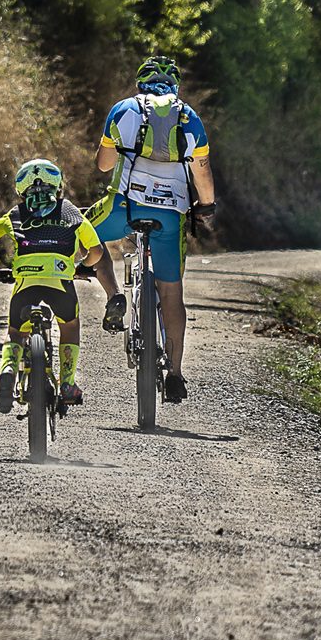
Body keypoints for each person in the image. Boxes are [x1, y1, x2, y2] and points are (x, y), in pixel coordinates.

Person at [86, 55, 217, 403]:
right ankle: (174, 374)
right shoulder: (189, 118)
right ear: (176, 87)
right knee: (172, 293)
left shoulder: (124, 110)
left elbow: (103, 165)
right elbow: (201, 172)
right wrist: (206, 205)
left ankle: (114, 294)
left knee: (86, 232)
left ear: (140, 84)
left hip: (125, 206)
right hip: (171, 214)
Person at [0, 158, 105, 413]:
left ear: (21, 190)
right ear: (58, 186)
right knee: (70, 326)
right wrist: (81, 266)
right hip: (60, 283)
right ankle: (67, 383)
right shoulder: (71, 212)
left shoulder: (16, 214)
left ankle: (8, 370)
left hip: (26, 283)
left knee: (16, 333)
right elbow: (96, 251)